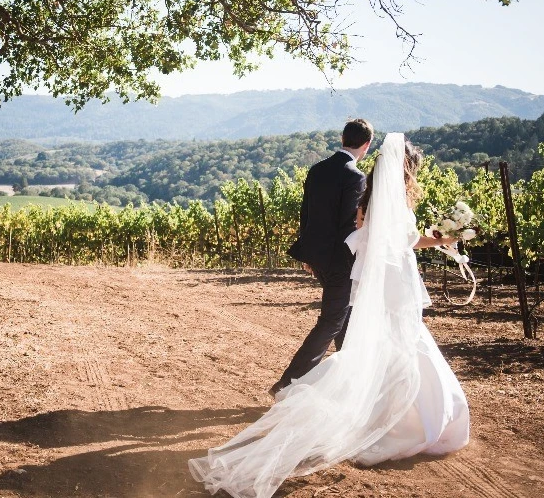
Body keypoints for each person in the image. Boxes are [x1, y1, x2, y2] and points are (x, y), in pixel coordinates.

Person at [190, 134, 469, 498]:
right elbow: (404, 242)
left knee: (389, 349)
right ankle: (402, 422)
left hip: (381, 285)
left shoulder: (368, 202)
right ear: (405, 172)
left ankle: (382, 412)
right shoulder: (395, 205)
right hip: (395, 287)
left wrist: (436, 238)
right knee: (401, 348)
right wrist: (445, 237)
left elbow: (373, 238)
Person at [274, 118, 372, 397]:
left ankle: (350, 384)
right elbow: (348, 225)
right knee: (332, 321)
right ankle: (287, 384)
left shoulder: (317, 170)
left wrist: (308, 253)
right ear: (366, 145)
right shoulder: (355, 177)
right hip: (340, 261)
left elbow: (307, 215)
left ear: (343, 139)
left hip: (318, 258)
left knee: (344, 317)